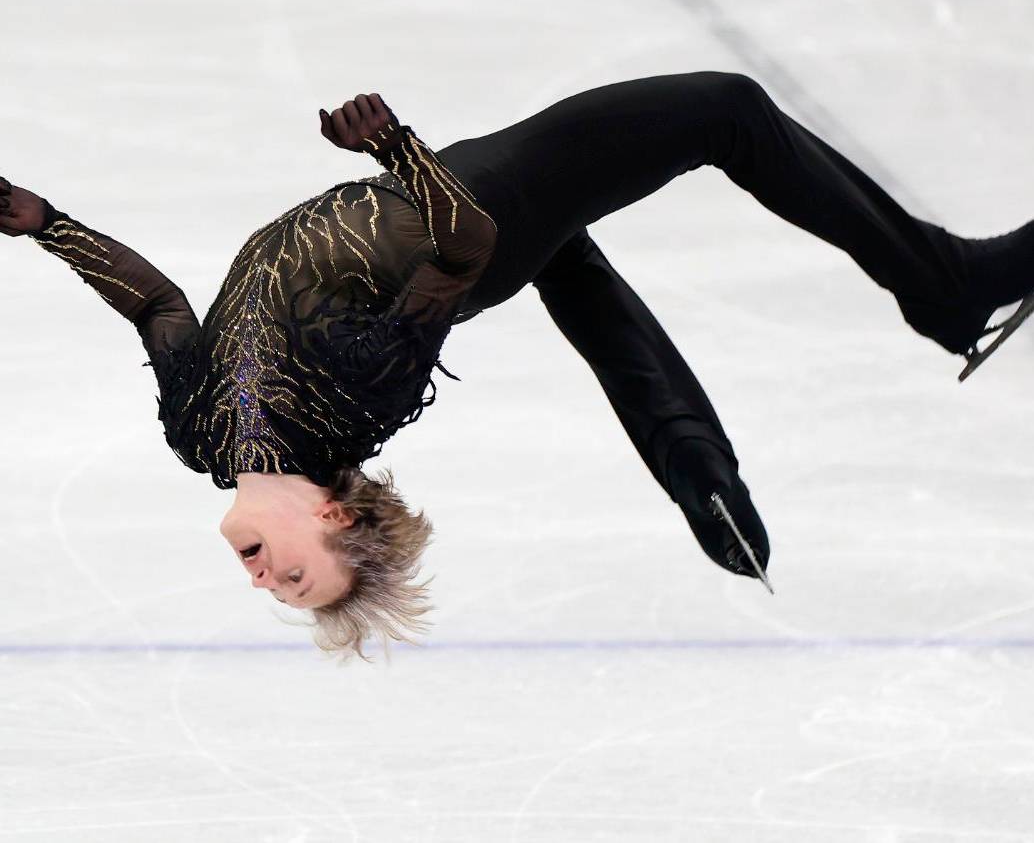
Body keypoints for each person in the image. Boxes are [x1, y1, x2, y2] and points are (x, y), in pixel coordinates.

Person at [3, 73, 1031, 662]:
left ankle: (690, 461)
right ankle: (940, 284)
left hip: (456, 197)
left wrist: (49, 226)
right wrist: (399, 151)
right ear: (331, 519)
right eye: (301, 582)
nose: (268, 580)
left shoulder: (199, 435)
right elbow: (466, 250)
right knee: (725, 110)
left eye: (271, 588)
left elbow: (160, 303)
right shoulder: (355, 398)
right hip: (479, 200)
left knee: (571, 257)